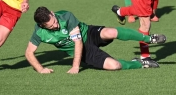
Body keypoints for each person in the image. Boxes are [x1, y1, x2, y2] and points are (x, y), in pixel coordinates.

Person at [25, 6, 167, 74]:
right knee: (114, 66)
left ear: (52, 13)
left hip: (88, 33)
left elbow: (78, 41)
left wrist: (75, 67)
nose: (56, 25)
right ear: (42, 26)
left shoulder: (65, 16)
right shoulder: (39, 33)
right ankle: (141, 63)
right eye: (51, 26)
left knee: (111, 32)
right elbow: (29, 53)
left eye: (54, 21)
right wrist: (40, 69)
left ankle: (148, 38)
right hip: (84, 51)